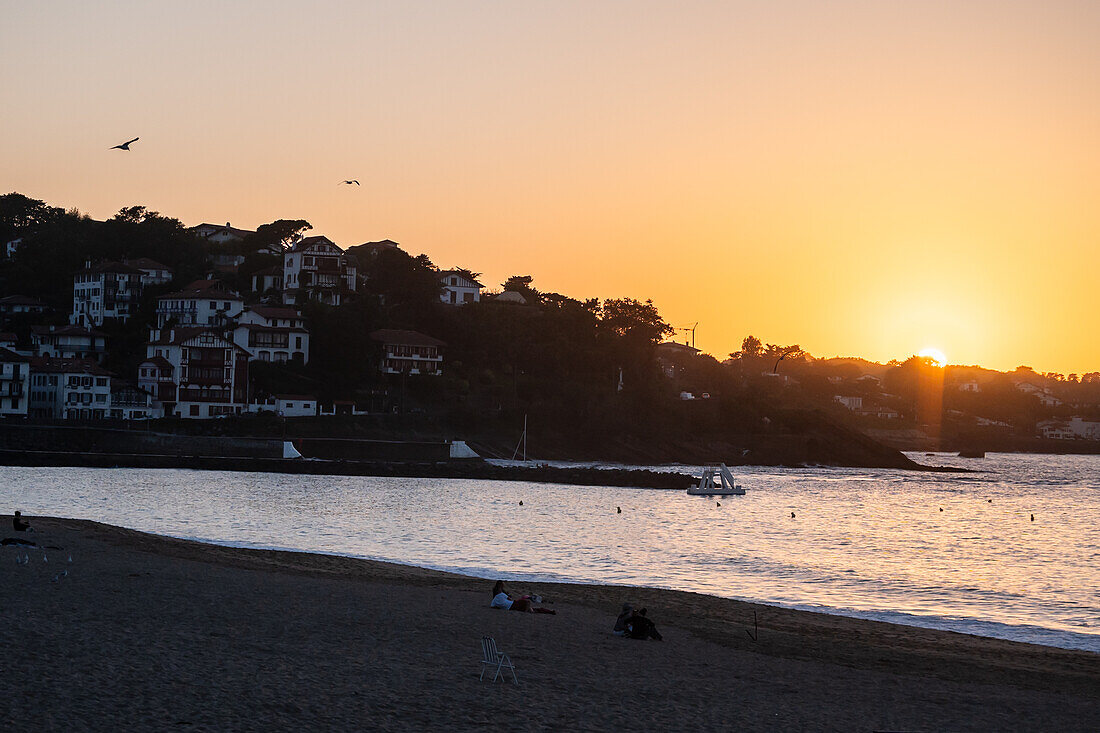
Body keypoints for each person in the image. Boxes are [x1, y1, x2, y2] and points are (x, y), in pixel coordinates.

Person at [490, 580, 556, 614]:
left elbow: (493, 606)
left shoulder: (496, 599)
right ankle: (530, 611)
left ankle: (549, 611)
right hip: (512, 604)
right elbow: (509, 599)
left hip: (511, 605)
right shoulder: (502, 594)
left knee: (535, 608)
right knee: (528, 603)